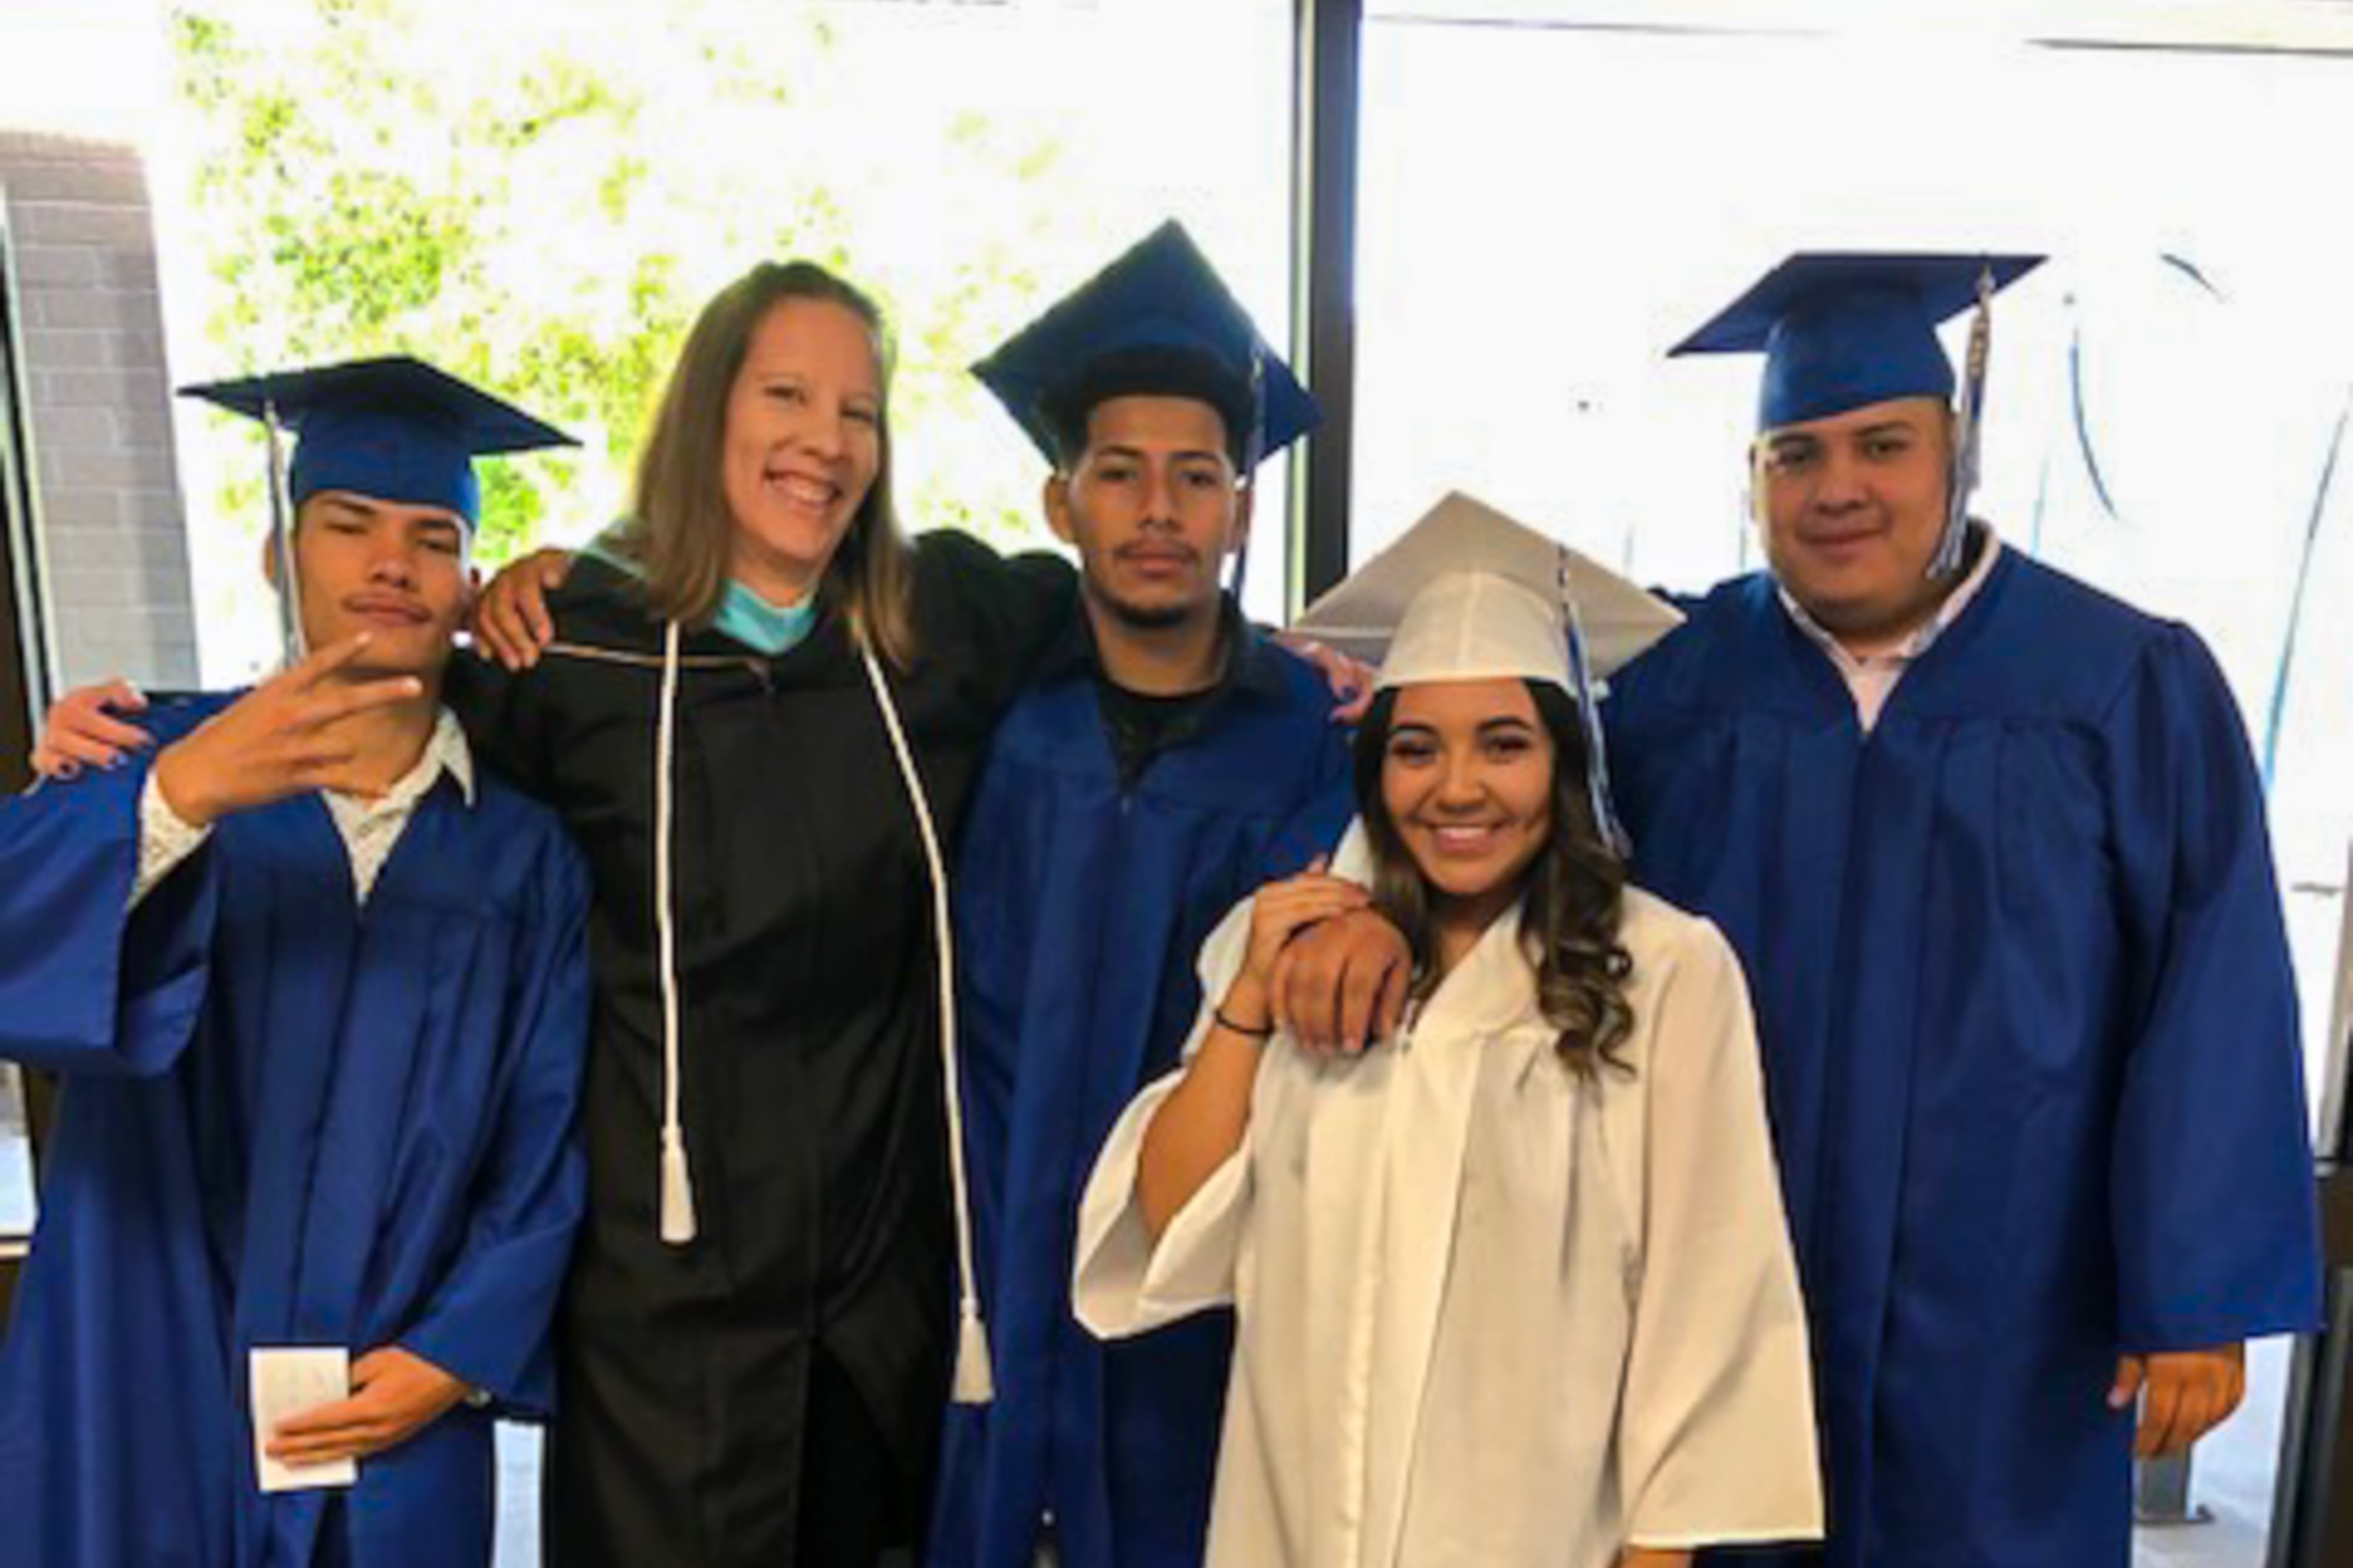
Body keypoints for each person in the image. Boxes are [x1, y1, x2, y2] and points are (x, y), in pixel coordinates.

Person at [1598, 252, 2324, 1566]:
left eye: (1881, 443)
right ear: (1750, 479)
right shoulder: (1666, 695)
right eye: (1793, 454)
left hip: (2011, 1299)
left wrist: (2193, 1289)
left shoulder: (2117, 682)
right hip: (1719, 1285)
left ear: (1957, 449)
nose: (1837, 489)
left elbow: (2206, 978)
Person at [1072, 493, 1823, 1568]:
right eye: (1416, 747)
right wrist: (1248, 994)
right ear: (1375, 768)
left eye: (1504, 744)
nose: (1457, 787)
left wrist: (1656, 1553)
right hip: (1294, 1524)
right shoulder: (1289, 943)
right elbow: (1171, 1217)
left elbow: (1704, 1291)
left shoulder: (1664, 970)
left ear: (1565, 764)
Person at [0, 358, 592, 1568]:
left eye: (433, 536)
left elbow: (547, 1141)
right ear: (281, 555)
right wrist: (178, 794)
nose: (390, 562)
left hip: (395, 1398)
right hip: (155, 1368)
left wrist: (456, 1352)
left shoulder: (525, 856)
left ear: (471, 584)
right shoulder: (151, 759)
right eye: (347, 525)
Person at [927, 222, 1354, 1568]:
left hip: (1208, 1314)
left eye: (1196, 477)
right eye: (1119, 475)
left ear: (1239, 508)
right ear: (1063, 509)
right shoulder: (979, 706)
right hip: (975, 1276)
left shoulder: (1316, 740)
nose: (1158, 512)